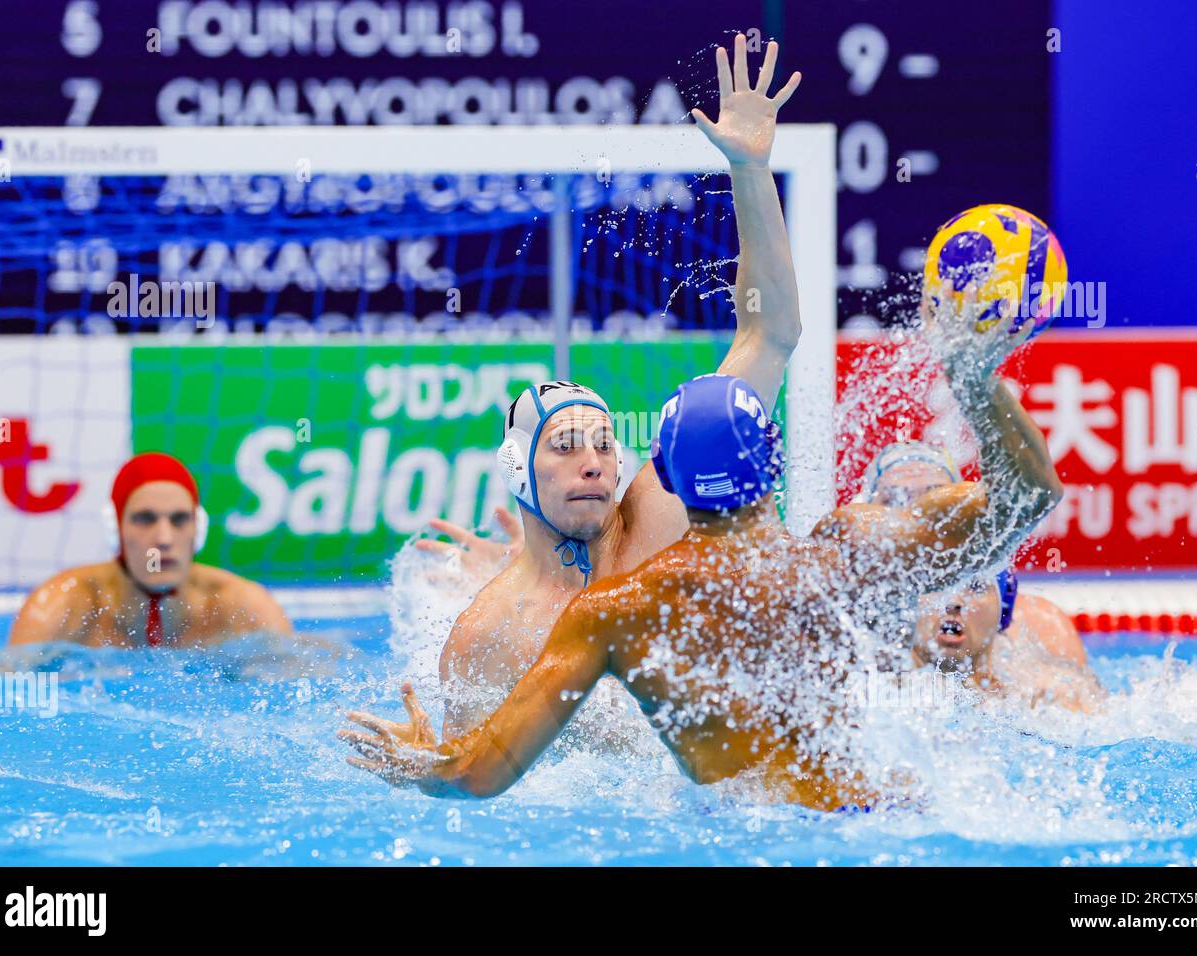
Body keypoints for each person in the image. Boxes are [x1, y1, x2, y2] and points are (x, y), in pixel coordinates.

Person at [340, 320, 1064, 808]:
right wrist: (974, 377)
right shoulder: (850, 553)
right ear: (772, 470)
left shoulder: (616, 614)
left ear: (671, 482)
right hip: (892, 821)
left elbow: (478, 773)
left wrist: (420, 761)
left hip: (745, 838)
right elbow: (1028, 496)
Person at [435, 34, 805, 738]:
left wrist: (750, 171)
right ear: (517, 469)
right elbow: (465, 775)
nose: (593, 461)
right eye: (567, 445)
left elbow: (771, 335)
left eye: (603, 444)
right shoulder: (485, 637)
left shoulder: (663, 515)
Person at [858, 441, 1104, 711]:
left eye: (933, 497)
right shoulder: (853, 631)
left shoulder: (1040, 626)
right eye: (893, 500)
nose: (915, 512)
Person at [9, 452, 292, 648]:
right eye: (145, 519)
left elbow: (299, 683)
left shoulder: (243, 607)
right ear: (115, 528)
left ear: (199, 528)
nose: (164, 538)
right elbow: (1, 686)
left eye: (180, 519)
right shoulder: (61, 607)